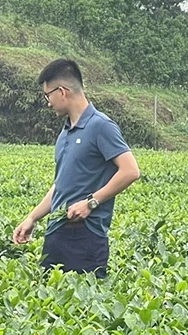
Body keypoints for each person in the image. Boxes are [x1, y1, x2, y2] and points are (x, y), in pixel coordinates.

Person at [13, 59, 140, 278]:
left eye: (48, 95)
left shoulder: (101, 126)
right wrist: (32, 218)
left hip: (86, 236)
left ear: (61, 92)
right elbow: (60, 185)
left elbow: (130, 171)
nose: (48, 102)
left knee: (85, 304)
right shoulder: (64, 134)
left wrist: (91, 202)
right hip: (56, 233)